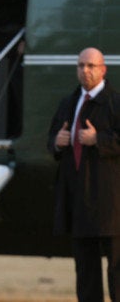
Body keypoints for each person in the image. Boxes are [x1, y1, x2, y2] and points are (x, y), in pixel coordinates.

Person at [48, 47, 120, 302]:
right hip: (80, 202)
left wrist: (98, 139)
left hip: (112, 205)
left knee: (117, 274)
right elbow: (51, 141)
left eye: (91, 66)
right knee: (86, 275)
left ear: (103, 69)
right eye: (81, 65)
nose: (85, 71)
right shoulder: (68, 104)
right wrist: (57, 141)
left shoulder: (115, 103)